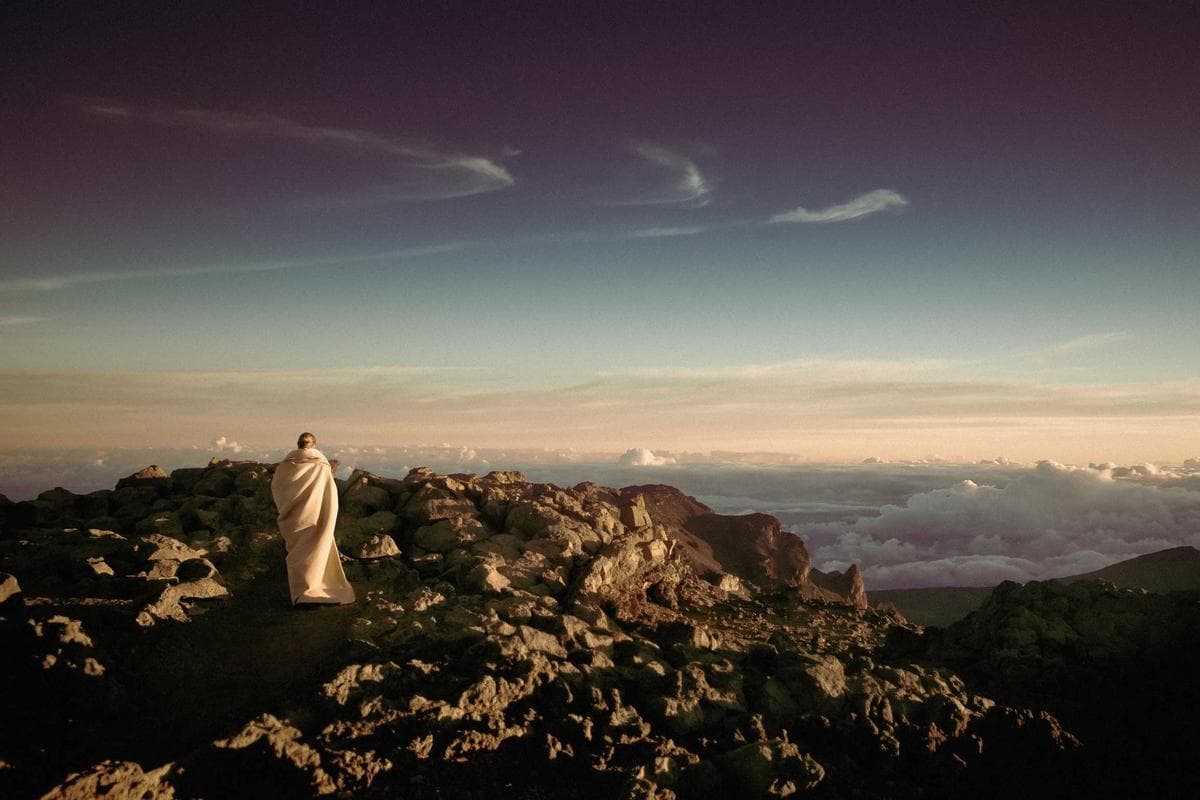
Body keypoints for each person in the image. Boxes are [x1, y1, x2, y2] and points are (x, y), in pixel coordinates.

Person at [270, 432, 356, 606]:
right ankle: (311, 589)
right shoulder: (321, 465)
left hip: (293, 518)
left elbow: (277, 488)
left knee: (297, 550)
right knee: (313, 550)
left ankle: (299, 591)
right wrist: (326, 514)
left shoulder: (285, 466)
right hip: (314, 517)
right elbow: (329, 493)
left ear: (298, 444)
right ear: (314, 445)